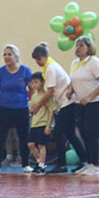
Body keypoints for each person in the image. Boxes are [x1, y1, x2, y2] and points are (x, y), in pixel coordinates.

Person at [31, 42, 83, 174]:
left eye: (39, 59)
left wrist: (38, 104)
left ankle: (62, 164)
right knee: (70, 134)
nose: (38, 62)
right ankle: (84, 159)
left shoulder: (50, 68)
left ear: (45, 56)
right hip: (66, 102)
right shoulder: (50, 65)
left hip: (67, 103)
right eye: (36, 59)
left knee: (59, 133)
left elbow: (50, 91)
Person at [69, 35, 99, 175]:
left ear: (89, 48)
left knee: (92, 133)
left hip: (95, 103)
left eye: (81, 46)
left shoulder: (94, 62)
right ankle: (88, 162)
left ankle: (95, 165)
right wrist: (70, 91)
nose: (78, 48)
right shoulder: (75, 63)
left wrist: (89, 96)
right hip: (79, 103)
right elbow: (74, 81)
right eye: (77, 45)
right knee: (83, 133)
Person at [0, 45, 33, 175]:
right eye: (5, 54)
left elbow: (32, 89)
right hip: (4, 108)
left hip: (21, 108)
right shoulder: (0, 71)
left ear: (16, 56)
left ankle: (25, 164)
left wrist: (33, 105)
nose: (6, 57)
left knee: (23, 137)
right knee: (1, 136)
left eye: (9, 54)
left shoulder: (25, 70)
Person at [26, 72, 53, 174]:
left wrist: (48, 126)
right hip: (34, 123)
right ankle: (39, 161)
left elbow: (51, 111)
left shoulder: (47, 96)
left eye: (36, 82)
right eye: (32, 83)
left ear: (42, 83)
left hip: (43, 123)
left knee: (41, 145)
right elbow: (32, 109)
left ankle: (41, 165)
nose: (34, 85)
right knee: (30, 144)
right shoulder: (34, 97)